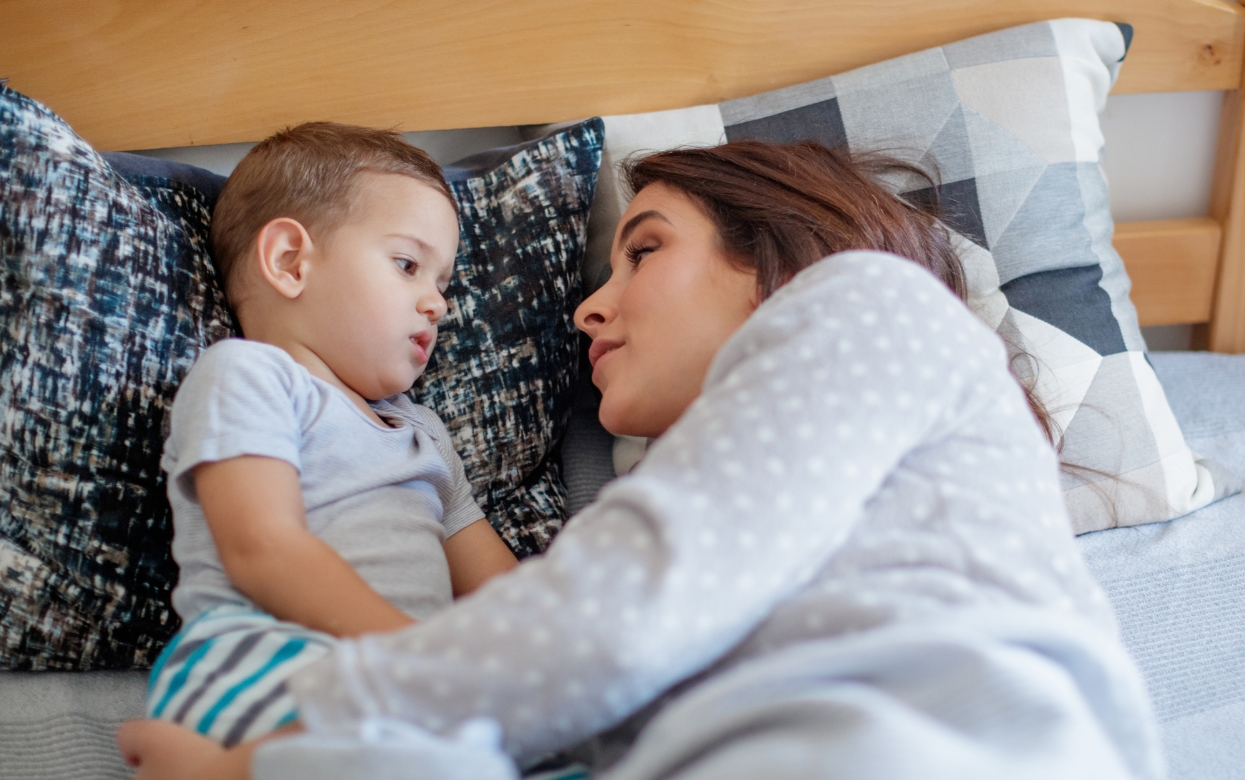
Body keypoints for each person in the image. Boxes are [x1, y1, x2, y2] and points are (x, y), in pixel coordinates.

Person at [119, 140, 1160, 780]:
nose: (587, 305)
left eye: (646, 248)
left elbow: (591, 633)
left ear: (780, 262)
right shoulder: (675, 487)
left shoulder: (871, 307)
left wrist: (256, 770)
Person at [139, 123, 519, 749]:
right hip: (261, 652)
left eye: (442, 283)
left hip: (401, 684)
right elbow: (263, 548)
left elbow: (501, 594)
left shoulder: (423, 434)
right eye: (407, 265)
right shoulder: (247, 375)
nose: (438, 303)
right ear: (290, 261)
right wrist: (413, 656)